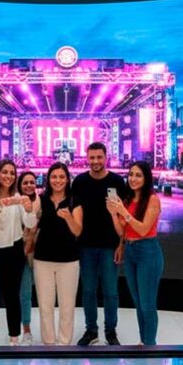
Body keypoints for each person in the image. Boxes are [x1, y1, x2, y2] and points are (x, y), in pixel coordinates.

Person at [72, 142, 125, 346]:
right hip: (86, 246)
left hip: (110, 246)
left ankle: (111, 332)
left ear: (106, 157)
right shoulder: (79, 182)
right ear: (87, 158)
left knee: (111, 292)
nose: (95, 161)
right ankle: (91, 331)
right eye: (92, 157)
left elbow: (122, 217)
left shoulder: (117, 181)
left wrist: (121, 244)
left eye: (99, 157)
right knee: (88, 291)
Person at [106, 161, 164, 346]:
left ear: (146, 178)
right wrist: (113, 214)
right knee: (139, 302)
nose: (133, 178)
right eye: (131, 174)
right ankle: (143, 341)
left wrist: (123, 212)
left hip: (148, 252)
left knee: (147, 304)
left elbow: (143, 229)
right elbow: (122, 231)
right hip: (130, 251)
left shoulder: (152, 199)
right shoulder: (128, 199)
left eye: (138, 175)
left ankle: (150, 344)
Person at [0, 160, 36, 346]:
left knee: (12, 296)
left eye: (12, 173)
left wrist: (29, 209)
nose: (8, 176)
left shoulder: (18, 198)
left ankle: (14, 337)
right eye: (5, 172)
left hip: (14, 252)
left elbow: (30, 223)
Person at [33, 163, 83, 345]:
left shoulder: (74, 201)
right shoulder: (41, 199)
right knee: (45, 305)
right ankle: (48, 343)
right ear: (48, 179)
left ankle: (64, 343)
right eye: (54, 177)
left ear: (67, 179)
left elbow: (78, 230)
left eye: (62, 177)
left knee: (67, 306)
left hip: (68, 260)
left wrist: (68, 217)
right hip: (42, 259)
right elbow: (32, 222)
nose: (58, 180)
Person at [17, 171, 41, 346]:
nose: (29, 185)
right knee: (16, 294)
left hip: (34, 255)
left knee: (27, 294)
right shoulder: (13, 203)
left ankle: (27, 330)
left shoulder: (41, 202)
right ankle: (15, 331)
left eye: (32, 182)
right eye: (25, 182)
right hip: (14, 253)